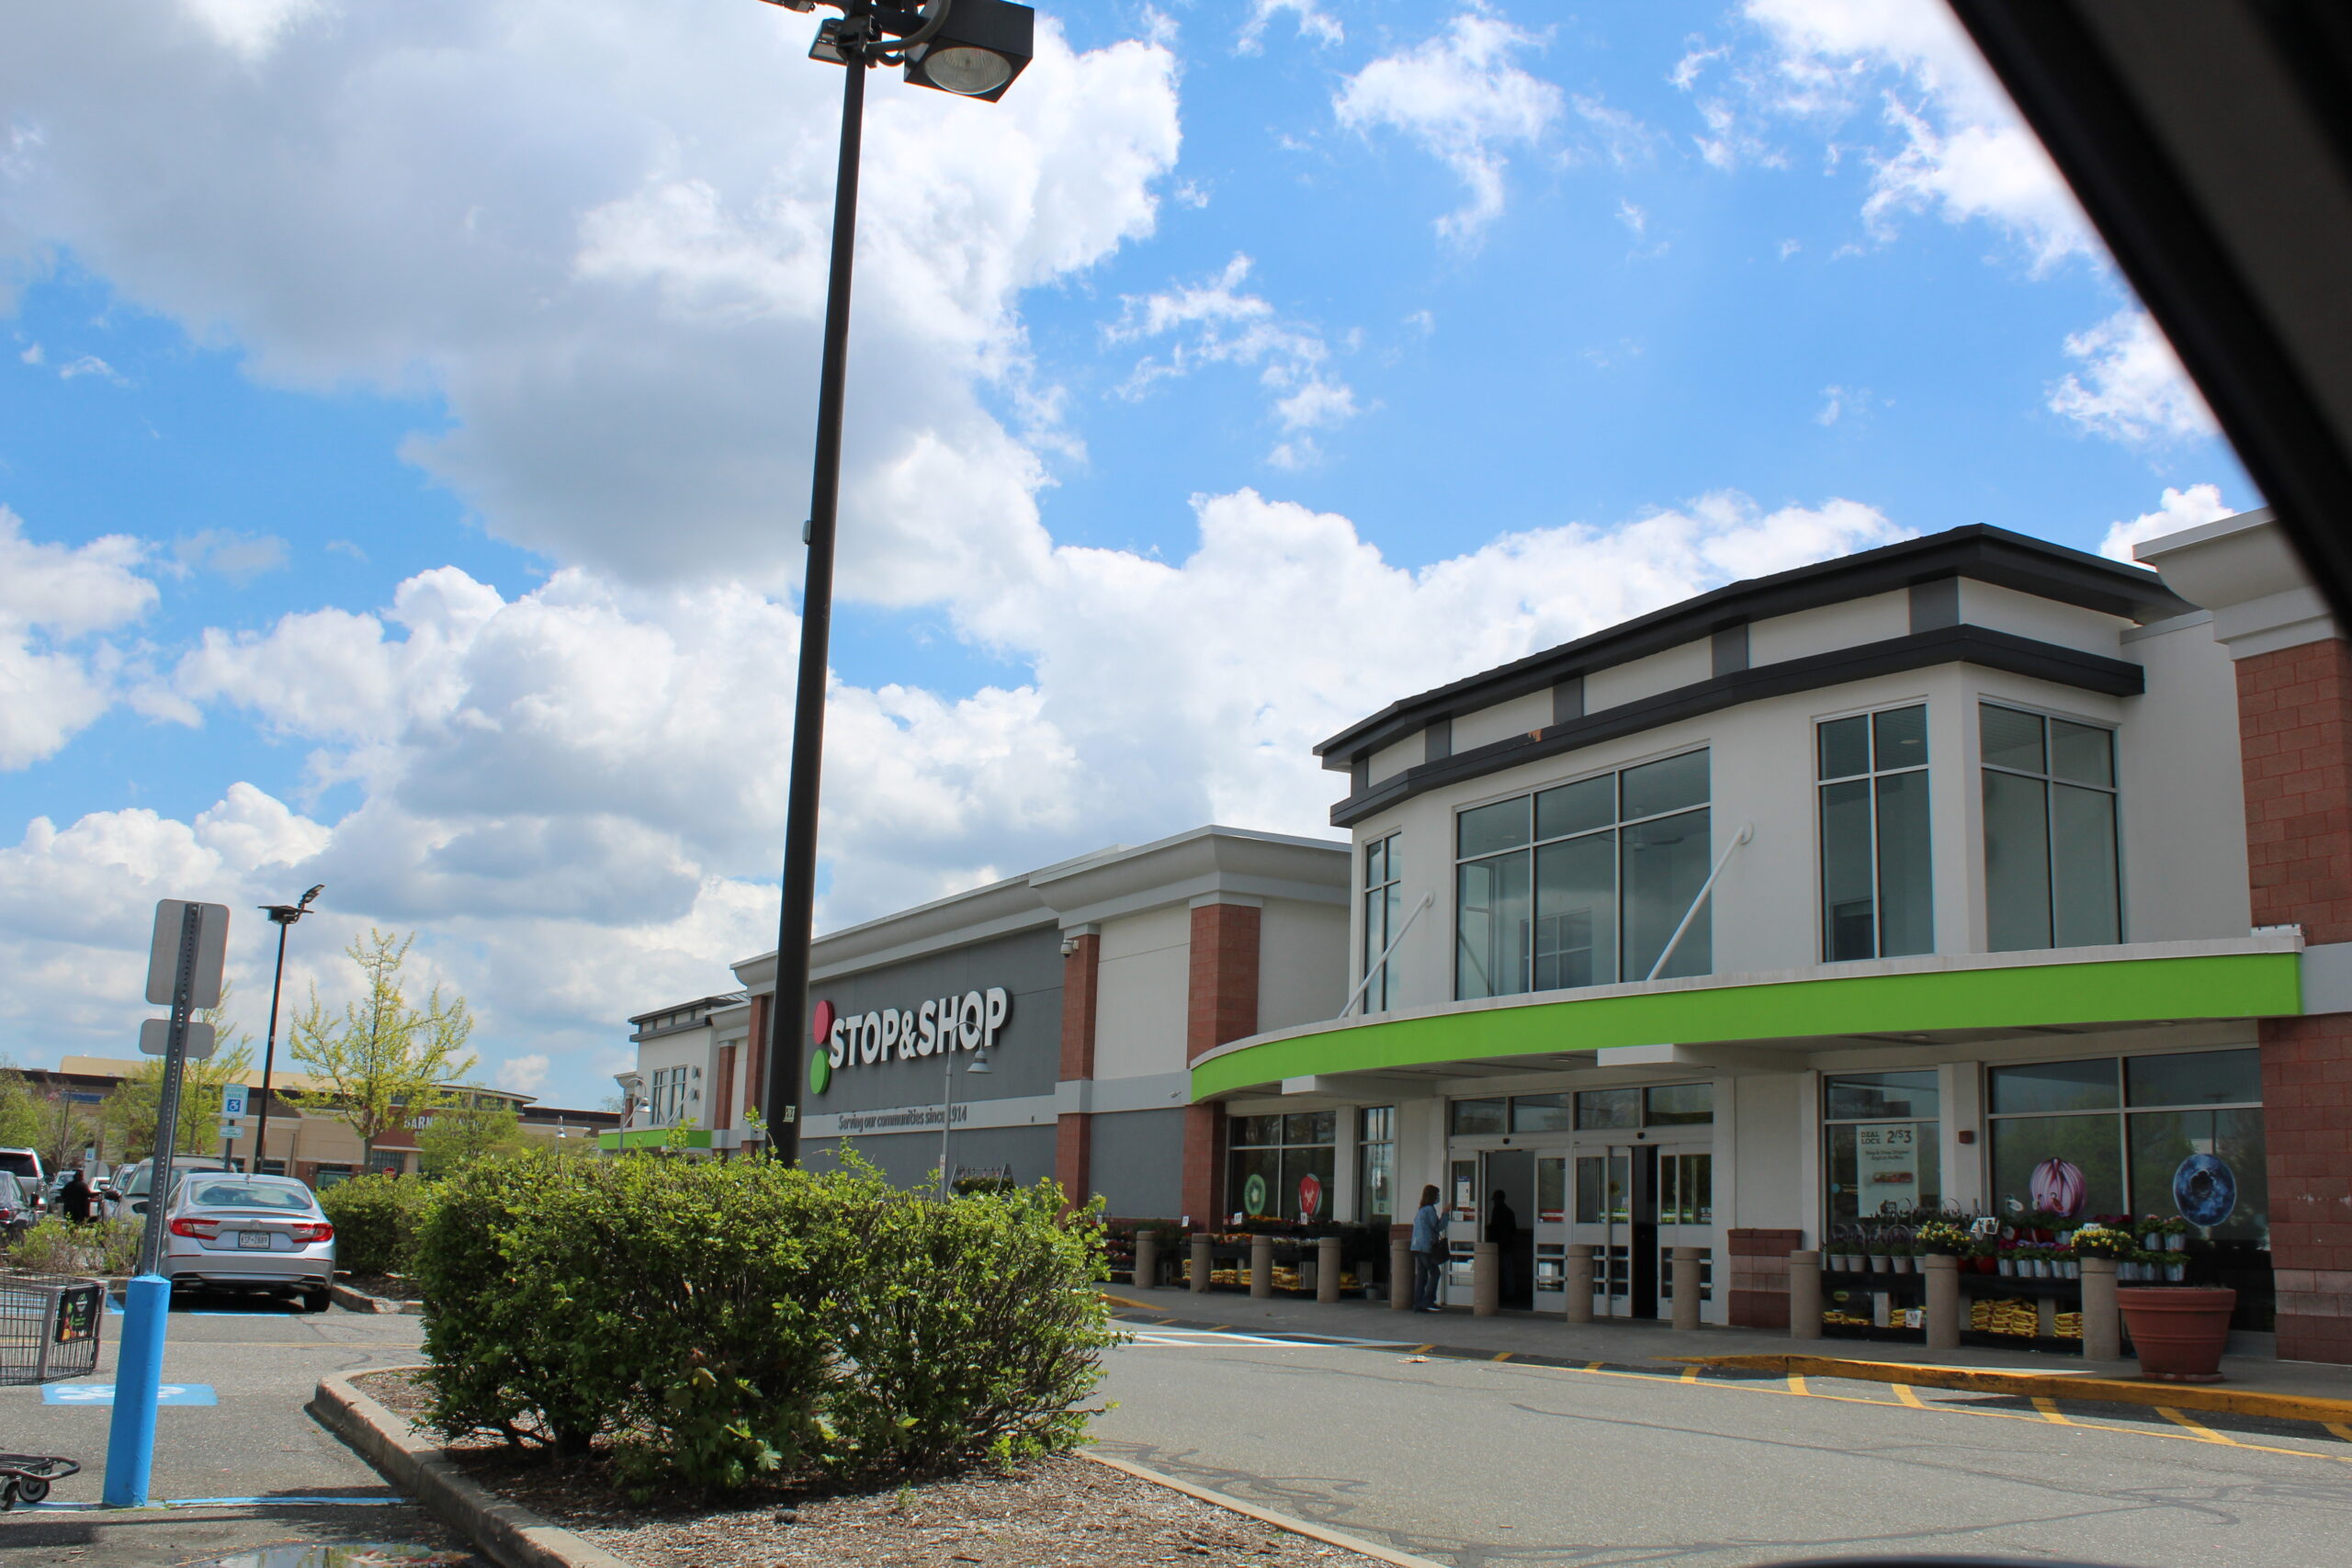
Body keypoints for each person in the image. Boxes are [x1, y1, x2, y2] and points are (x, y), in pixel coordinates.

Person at [1410, 1183, 1447, 1313]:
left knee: (1422, 1275)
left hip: (1416, 1246)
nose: (1438, 1197)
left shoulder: (1421, 1210)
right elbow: (1438, 1227)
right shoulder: (1430, 1210)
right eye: (1437, 1195)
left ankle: (1418, 1303)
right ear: (1433, 1196)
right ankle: (1428, 1301)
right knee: (1435, 1272)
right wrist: (1445, 1214)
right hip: (1426, 1246)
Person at [1486, 1188, 1521, 1303]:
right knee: (1508, 1269)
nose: (1494, 1202)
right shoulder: (1510, 1212)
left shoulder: (1497, 1210)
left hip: (1498, 1244)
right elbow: (1513, 1229)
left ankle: (1497, 1292)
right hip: (1507, 1244)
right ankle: (1510, 1292)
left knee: (1497, 1269)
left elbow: (1495, 1227)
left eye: (1495, 1199)